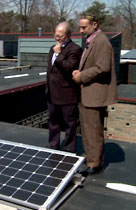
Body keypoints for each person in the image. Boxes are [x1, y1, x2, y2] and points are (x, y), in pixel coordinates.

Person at [72, 15, 118, 174]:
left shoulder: (101, 41)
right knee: (87, 128)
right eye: (80, 27)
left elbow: (102, 67)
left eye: (84, 27)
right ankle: (92, 156)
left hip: (95, 95)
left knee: (93, 130)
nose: (81, 30)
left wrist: (82, 76)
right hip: (88, 94)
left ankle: (95, 164)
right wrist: (80, 71)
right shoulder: (93, 40)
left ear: (95, 25)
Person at [46, 22, 82, 153]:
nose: (57, 38)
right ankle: (53, 146)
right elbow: (51, 71)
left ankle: (69, 150)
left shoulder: (75, 49)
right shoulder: (52, 48)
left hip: (67, 95)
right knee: (53, 122)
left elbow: (69, 68)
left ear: (68, 35)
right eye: (55, 35)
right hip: (52, 93)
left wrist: (59, 54)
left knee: (70, 125)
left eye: (60, 36)